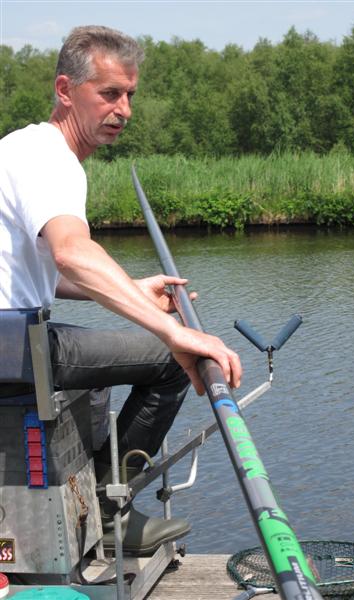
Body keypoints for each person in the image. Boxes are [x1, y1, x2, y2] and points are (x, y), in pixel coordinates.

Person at [0, 25, 242, 555]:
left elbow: (36, 273)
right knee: (167, 360)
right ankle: (110, 516)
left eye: (129, 95)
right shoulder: (48, 157)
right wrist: (175, 333)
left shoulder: (21, 149)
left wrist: (132, 289)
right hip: (14, 351)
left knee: (114, 363)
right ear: (65, 90)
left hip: (13, 339)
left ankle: (89, 502)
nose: (124, 109)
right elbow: (72, 252)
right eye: (109, 93)